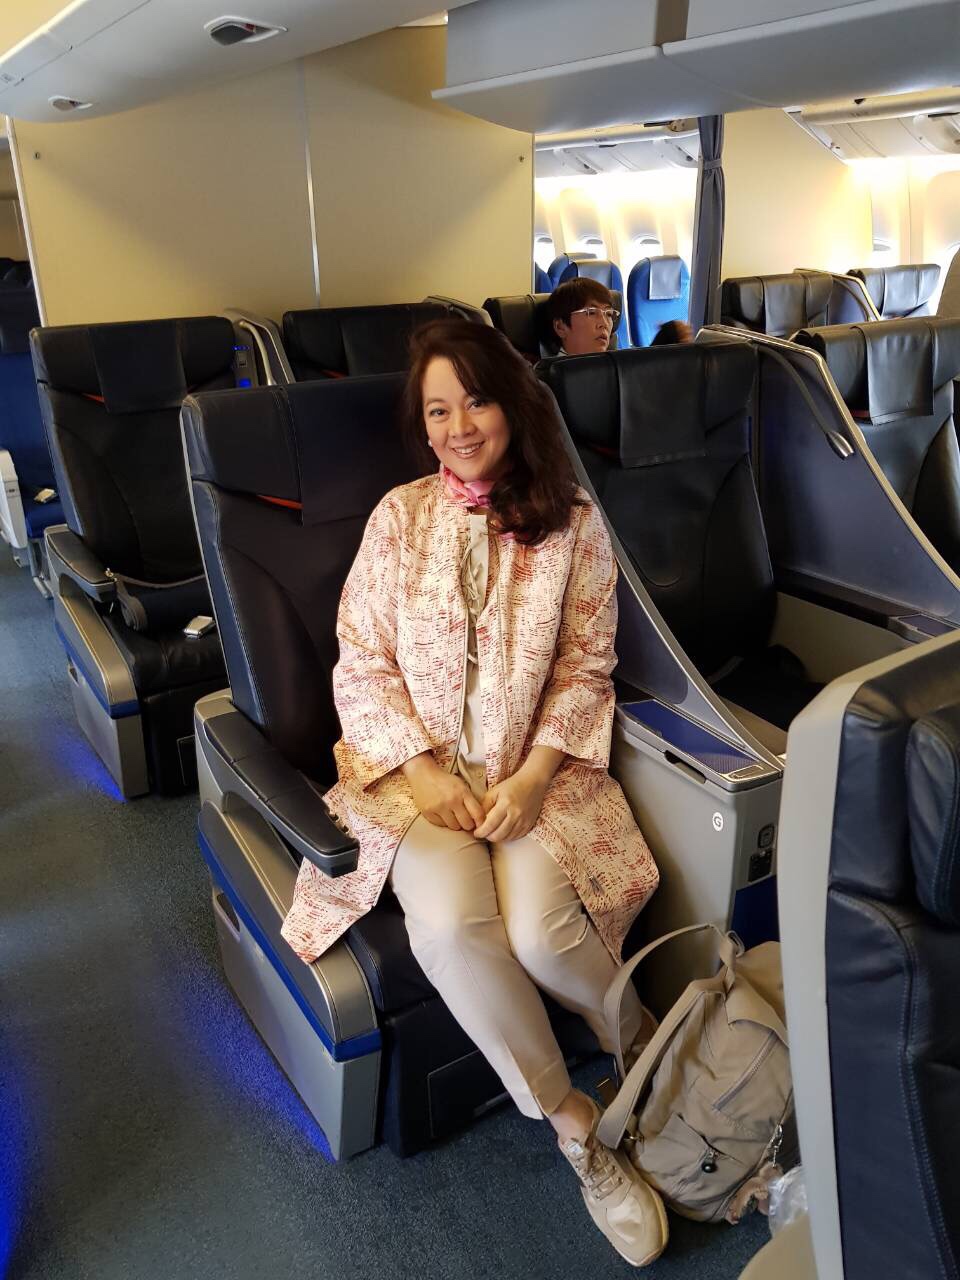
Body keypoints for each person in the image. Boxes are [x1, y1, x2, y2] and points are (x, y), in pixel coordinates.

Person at [280, 319, 666, 1267]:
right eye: (437, 410)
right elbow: (361, 660)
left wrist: (533, 778)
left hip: (533, 773)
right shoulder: (399, 518)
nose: (458, 428)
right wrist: (419, 767)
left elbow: (585, 666)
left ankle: (650, 1049)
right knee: (452, 928)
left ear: (514, 404)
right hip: (414, 781)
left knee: (542, 934)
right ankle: (574, 1124)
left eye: (476, 402)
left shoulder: (573, 522)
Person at [547, 278, 619, 356]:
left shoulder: (619, 362)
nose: (604, 324)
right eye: (591, 312)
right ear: (560, 327)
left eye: (609, 314)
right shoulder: (552, 365)